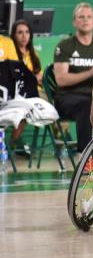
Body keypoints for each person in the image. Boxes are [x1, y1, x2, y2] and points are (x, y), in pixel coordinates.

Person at [53, 3, 93, 152]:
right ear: (74, 22)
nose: (85, 20)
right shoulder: (65, 45)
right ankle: (85, 157)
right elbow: (61, 80)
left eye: (89, 17)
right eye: (81, 17)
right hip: (68, 97)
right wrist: (91, 72)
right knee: (88, 105)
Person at [8, 19, 43, 156]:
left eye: (27, 32)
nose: (24, 36)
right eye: (20, 32)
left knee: (56, 103)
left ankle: (62, 139)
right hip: (19, 94)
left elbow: (39, 76)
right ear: (14, 35)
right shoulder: (11, 54)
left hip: (37, 93)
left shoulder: (34, 55)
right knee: (24, 109)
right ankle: (13, 144)